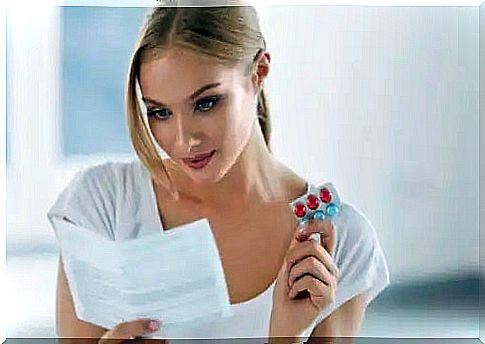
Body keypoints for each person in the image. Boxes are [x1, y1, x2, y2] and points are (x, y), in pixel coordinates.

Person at [47, 2, 390, 343]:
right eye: (160, 112)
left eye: (206, 103)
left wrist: (287, 336)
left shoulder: (341, 241)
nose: (183, 140)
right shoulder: (102, 206)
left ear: (259, 72)